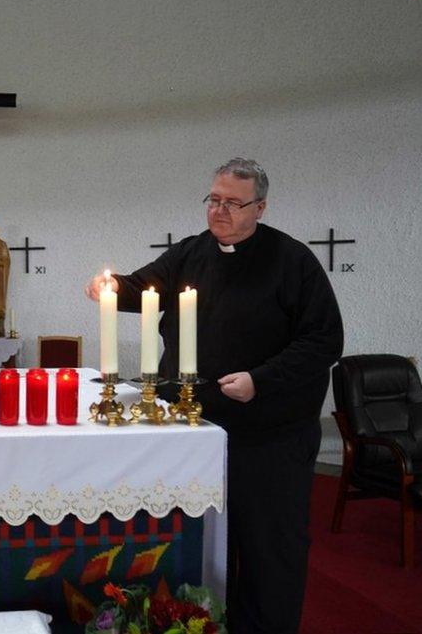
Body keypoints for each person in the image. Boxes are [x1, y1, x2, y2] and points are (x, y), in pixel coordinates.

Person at [85, 158, 343, 633]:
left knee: (269, 547)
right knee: (198, 541)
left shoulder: (293, 262)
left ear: (260, 207)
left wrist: (261, 379)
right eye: (214, 199)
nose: (219, 210)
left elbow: (323, 340)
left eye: (233, 202)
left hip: (269, 434)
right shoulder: (191, 253)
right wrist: (111, 286)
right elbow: (143, 287)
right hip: (194, 426)